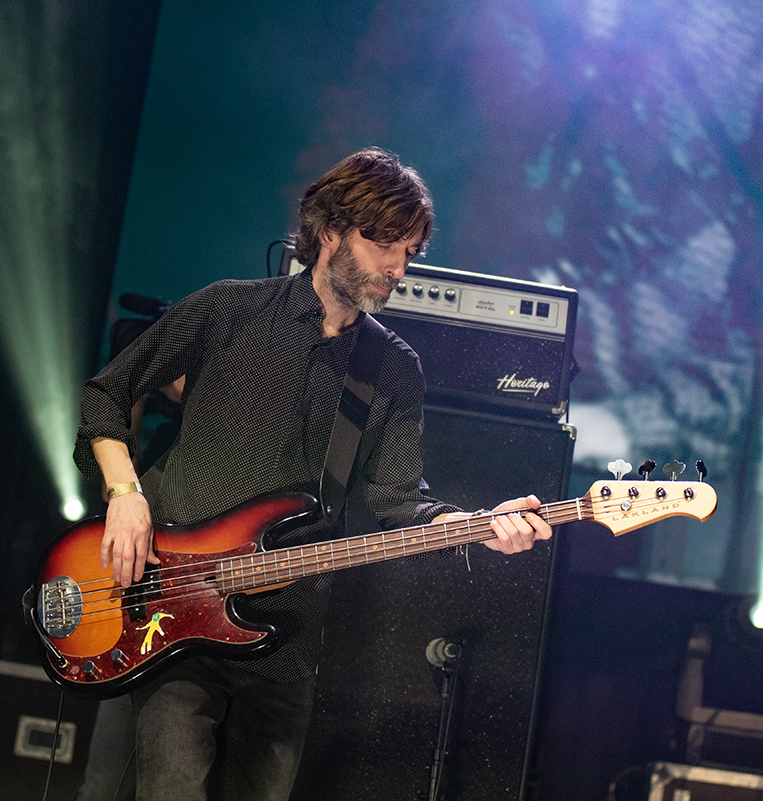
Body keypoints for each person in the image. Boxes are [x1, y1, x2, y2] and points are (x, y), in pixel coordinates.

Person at [72, 147, 553, 801]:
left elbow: (398, 501)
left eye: (410, 251)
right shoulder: (226, 310)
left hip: (286, 642)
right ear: (330, 231)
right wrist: (125, 494)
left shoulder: (393, 367)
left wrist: (479, 525)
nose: (399, 267)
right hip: (175, 617)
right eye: (385, 243)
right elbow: (105, 393)